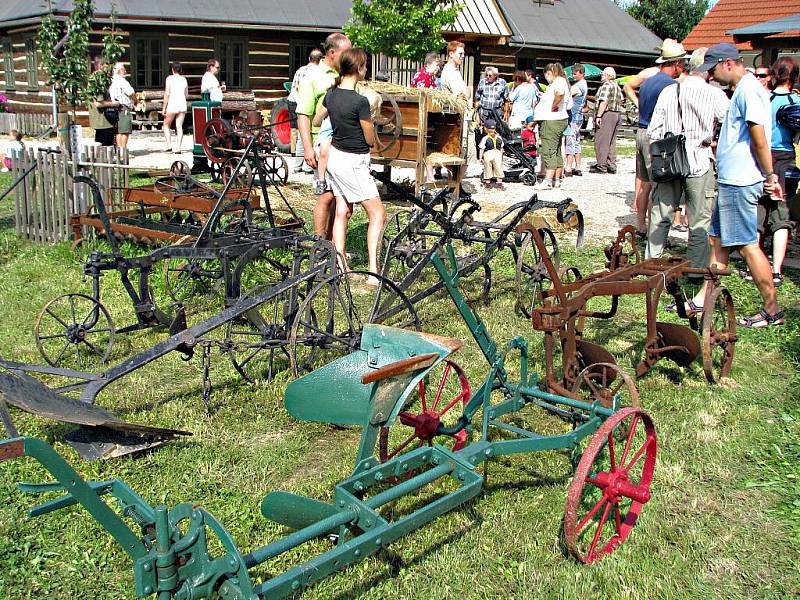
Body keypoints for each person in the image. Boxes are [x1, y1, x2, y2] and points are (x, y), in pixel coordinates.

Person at [688, 43, 783, 328]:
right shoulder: (741, 90)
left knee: (747, 245)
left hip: (741, 182)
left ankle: (772, 309)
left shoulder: (749, 90)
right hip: (730, 181)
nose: (712, 75)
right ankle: (704, 298)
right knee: (716, 241)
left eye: (714, 69)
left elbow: (759, 139)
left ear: (728, 63)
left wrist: (770, 175)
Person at [646, 47, 730, 276]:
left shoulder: (669, 92)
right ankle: (694, 270)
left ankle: (651, 265)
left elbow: (653, 131)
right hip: (700, 159)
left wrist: (654, 163)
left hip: (669, 160)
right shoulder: (714, 94)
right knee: (699, 219)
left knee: (661, 214)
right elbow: (731, 123)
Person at [320, 47, 385, 286]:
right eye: (365, 66)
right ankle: (373, 272)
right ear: (358, 68)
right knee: (378, 214)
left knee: (342, 211)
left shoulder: (332, 95)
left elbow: (318, 118)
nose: (366, 69)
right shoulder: (360, 102)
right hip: (353, 161)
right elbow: (369, 138)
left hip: (335, 158)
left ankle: (340, 266)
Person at [295, 32, 352, 239]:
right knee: (326, 197)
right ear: (332, 53)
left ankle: (333, 246)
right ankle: (319, 245)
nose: (350, 57)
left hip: (345, 146)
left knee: (342, 199)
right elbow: (303, 115)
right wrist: (308, 149)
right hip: (323, 146)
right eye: (346, 53)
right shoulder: (312, 77)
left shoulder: (346, 75)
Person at [630, 40, 686, 234]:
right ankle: (656, 231)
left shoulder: (647, 83)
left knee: (644, 184)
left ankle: (642, 226)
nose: (683, 68)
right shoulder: (671, 86)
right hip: (656, 137)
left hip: (641, 131)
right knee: (658, 186)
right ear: (676, 63)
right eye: (682, 64)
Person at [753, 58, 797, 287]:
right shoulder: (796, 101)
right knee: (781, 215)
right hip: (785, 157)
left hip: (762, 157)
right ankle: (777, 270)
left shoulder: (763, 100)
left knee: (759, 212)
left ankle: (757, 266)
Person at [533, 62, 571, 190]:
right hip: (558, 119)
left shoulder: (558, 82)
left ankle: (548, 180)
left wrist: (553, 106)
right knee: (556, 149)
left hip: (552, 120)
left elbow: (559, 94)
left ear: (549, 73)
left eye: (546, 76)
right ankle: (557, 179)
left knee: (549, 149)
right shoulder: (562, 81)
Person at [288, 49, 323, 173]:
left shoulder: (300, 70)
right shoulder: (318, 72)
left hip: (293, 101)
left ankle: (297, 166)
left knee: (300, 134)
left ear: (309, 58)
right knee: (307, 133)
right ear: (320, 60)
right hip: (305, 105)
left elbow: (294, 87)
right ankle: (308, 166)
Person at [592, 67, 623, 175]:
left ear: (608, 76)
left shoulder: (606, 86)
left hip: (607, 114)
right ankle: (611, 164)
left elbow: (604, 101)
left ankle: (601, 166)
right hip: (617, 114)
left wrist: (599, 116)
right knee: (611, 141)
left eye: (603, 74)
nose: (601, 76)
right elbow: (622, 99)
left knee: (601, 141)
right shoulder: (617, 86)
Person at [474, 66, 508, 153]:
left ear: (495, 76)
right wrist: (476, 112)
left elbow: (506, 98)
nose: (488, 77)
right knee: (485, 131)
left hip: (497, 110)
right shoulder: (482, 82)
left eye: (490, 75)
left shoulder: (502, 82)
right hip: (484, 110)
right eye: (487, 75)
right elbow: (477, 97)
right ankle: (484, 151)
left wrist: (506, 112)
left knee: (496, 130)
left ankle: (496, 150)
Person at [564, 64, 588, 176]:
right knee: (576, 140)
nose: (573, 75)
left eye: (575, 73)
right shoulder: (584, 84)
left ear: (581, 74)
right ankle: (578, 167)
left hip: (573, 116)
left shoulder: (579, 85)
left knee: (570, 140)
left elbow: (567, 94)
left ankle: (568, 167)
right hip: (579, 116)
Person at [88, 56, 116, 147]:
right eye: (107, 65)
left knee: (101, 147)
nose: (110, 68)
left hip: (101, 120)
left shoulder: (96, 77)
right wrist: (115, 103)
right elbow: (99, 103)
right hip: (104, 120)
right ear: (100, 65)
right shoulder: (98, 78)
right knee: (106, 148)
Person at [162, 62, 188, 154]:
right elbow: (186, 94)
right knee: (179, 126)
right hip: (182, 104)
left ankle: (169, 145)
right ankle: (178, 147)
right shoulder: (184, 79)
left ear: (172, 69)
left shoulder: (169, 79)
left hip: (172, 104)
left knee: (165, 125)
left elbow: (167, 94)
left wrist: (164, 108)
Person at [108, 62, 135, 148]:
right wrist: (136, 101)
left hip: (117, 107)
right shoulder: (122, 81)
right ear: (120, 70)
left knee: (119, 130)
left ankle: (120, 151)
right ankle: (123, 151)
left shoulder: (113, 80)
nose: (126, 71)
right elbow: (131, 93)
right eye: (124, 69)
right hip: (124, 107)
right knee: (125, 130)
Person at [477, 119, 505, 189]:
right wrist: (501, 156)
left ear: (486, 129)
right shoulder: (499, 138)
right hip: (497, 153)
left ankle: (488, 184)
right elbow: (502, 148)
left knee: (487, 168)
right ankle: (499, 184)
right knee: (499, 168)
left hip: (488, 153)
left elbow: (482, 148)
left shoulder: (485, 138)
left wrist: (480, 158)